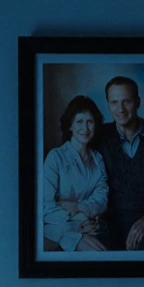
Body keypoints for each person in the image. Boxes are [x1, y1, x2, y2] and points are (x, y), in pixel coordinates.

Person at [97, 76, 144, 251]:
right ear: (107, 104)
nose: (120, 109)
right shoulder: (98, 137)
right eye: (114, 102)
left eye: (126, 101)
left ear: (138, 102)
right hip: (109, 224)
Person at [43, 95, 109, 252]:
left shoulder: (97, 158)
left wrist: (79, 206)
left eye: (90, 122)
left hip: (91, 225)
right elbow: (46, 207)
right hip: (58, 228)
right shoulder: (56, 157)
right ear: (70, 126)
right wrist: (80, 219)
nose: (85, 128)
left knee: (104, 254)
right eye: (79, 122)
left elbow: (102, 198)